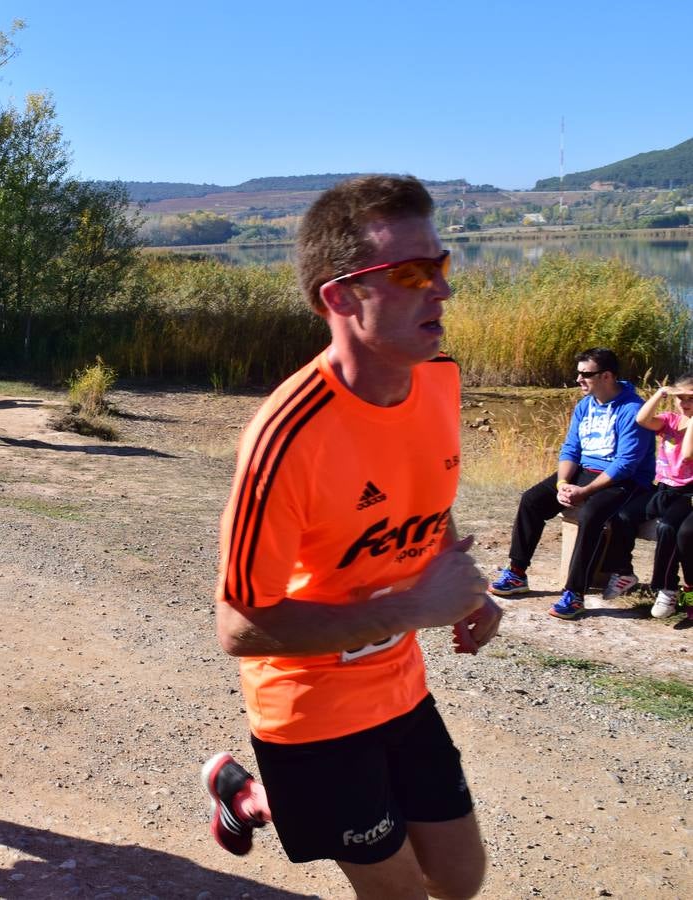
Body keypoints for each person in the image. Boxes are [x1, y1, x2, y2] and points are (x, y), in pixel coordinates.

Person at [204, 176, 500, 899]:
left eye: (442, 265)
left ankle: (248, 796)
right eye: (409, 273)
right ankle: (263, 789)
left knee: (460, 878)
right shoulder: (286, 438)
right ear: (340, 297)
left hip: (399, 688)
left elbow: (427, 501)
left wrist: (460, 592)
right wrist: (411, 608)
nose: (440, 291)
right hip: (310, 709)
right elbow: (239, 627)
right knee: (396, 891)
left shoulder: (437, 380)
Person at [487, 348, 654, 620]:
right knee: (532, 500)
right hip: (582, 472)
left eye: (585, 374)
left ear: (607, 376)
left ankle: (575, 594)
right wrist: (564, 483)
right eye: (578, 373)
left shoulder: (633, 410)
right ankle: (517, 573)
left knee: (591, 515)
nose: (578, 379)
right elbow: (571, 449)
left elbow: (626, 464)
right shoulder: (585, 405)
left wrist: (585, 491)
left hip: (623, 479)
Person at [609, 377, 693, 618]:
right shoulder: (670, 420)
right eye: (681, 398)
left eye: (691, 398)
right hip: (663, 488)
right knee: (624, 515)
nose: (685, 403)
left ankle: (667, 589)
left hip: (687, 493)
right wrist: (660, 394)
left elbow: (687, 455)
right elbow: (642, 419)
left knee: (669, 528)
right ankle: (624, 571)